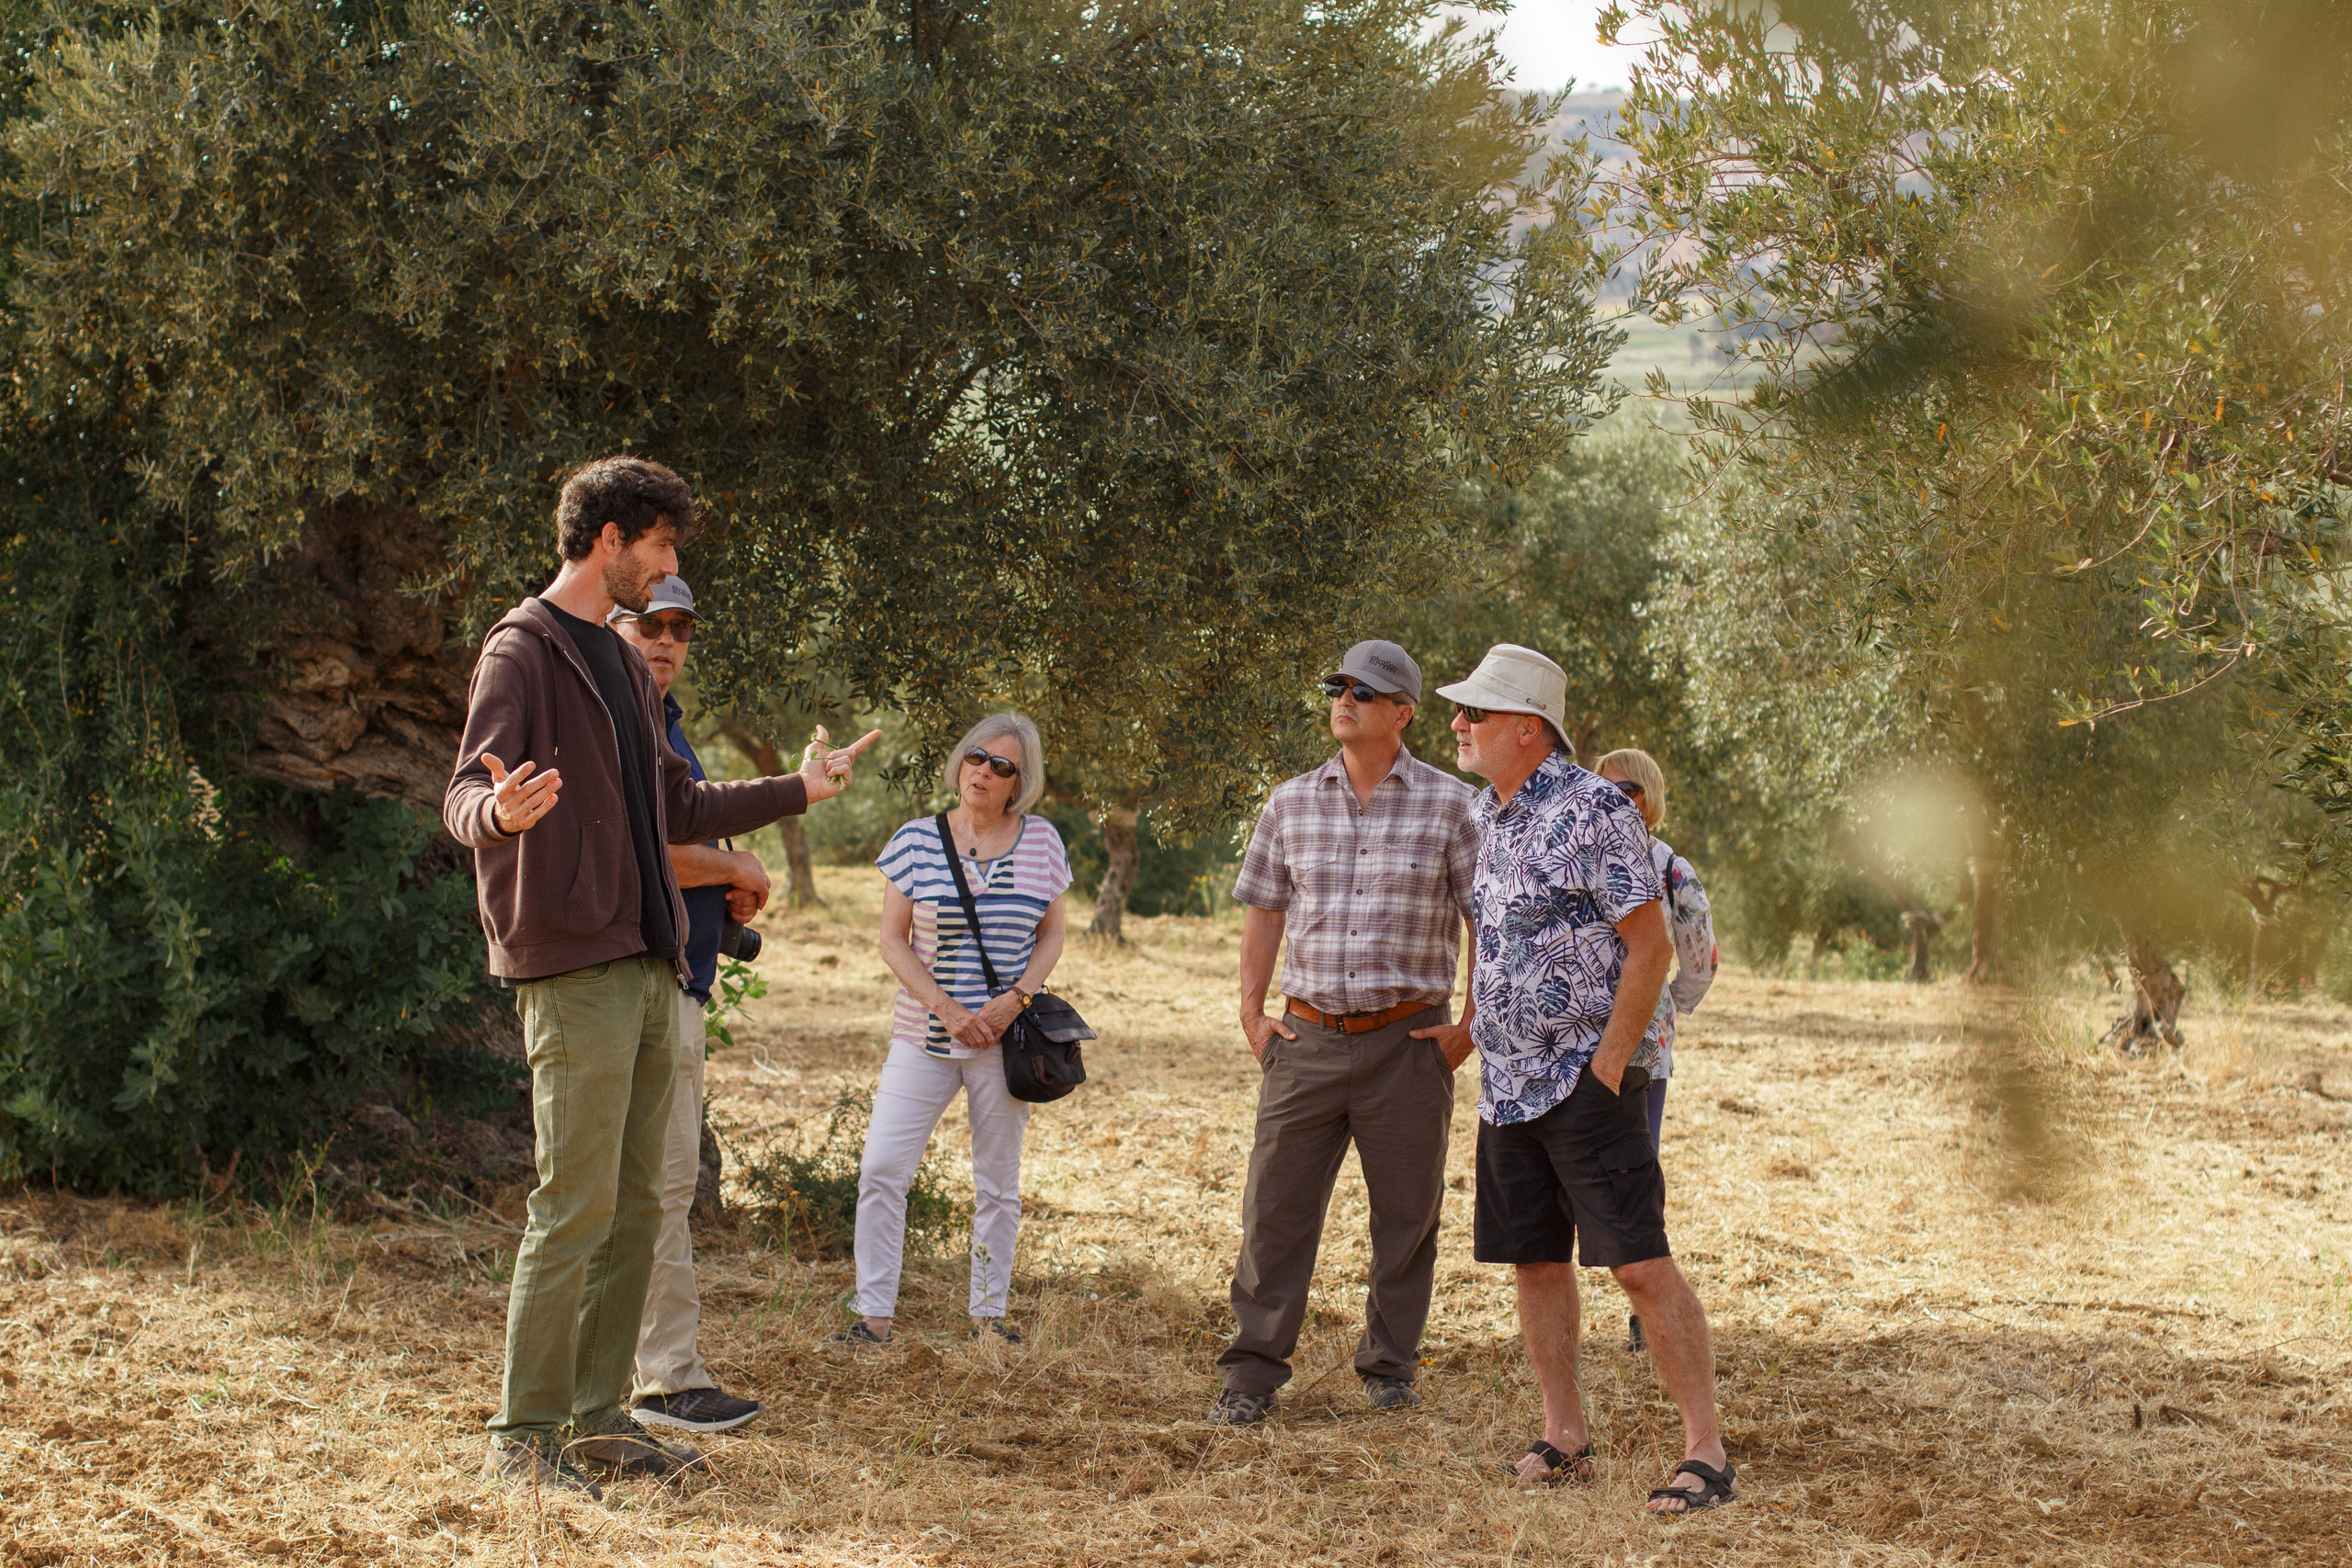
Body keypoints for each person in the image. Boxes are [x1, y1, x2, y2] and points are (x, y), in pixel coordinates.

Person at [445, 456, 879, 1500]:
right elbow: (464, 792)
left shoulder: (623, 666)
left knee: (641, 1204)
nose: (671, 569)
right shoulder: (524, 650)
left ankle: (597, 1420)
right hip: (574, 963)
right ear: (610, 540)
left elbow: (678, 810)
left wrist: (798, 791)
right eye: (662, 547)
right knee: (573, 1205)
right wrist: (499, 817)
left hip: (651, 961)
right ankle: (523, 1436)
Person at [1440, 644, 1738, 1516]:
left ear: (1529, 729)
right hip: (1507, 1085)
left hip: (1585, 1081)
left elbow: (1651, 945)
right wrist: (1473, 1033)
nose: (1457, 723)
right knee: (1536, 1260)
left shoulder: (1596, 807)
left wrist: (1606, 1067)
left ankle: (1705, 1451)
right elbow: (1491, 941)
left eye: (1475, 713)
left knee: (1639, 1263)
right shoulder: (1486, 814)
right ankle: (1564, 1433)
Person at [1205, 640, 1479, 1427]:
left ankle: (1390, 1365)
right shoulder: (1290, 802)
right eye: (1338, 686)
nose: (1345, 698)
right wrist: (1252, 1014)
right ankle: (1252, 1373)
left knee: (1407, 1215)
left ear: (1403, 713)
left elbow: (1485, 921)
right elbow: (1264, 908)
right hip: (1306, 1040)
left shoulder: (1453, 805)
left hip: (1410, 1044)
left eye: (1365, 690)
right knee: (1274, 1211)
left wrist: (1469, 1026)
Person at [605, 576, 772, 1437]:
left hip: (679, 981)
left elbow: (686, 838)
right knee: (654, 1186)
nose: (667, 639)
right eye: (650, 624)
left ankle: (640, 1374)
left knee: (655, 1185)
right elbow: (645, 845)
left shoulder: (666, 727)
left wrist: (728, 885)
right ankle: (664, 1380)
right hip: (641, 984)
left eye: (680, 628)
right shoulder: (621, 716)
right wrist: (732, 869)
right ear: (616, 624)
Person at [846, 713, 1070, 1345]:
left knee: (997, 1180)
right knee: (883, 1169)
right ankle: (873, 1317)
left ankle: (988, 1318)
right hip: (923, 1033)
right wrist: (947, 1007)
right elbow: (892, 940)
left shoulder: (1042, 842)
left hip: (1003, 1041)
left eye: (1002, 766)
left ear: (1017, 782)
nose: (984, 772)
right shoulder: (917, 839)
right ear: (961, 763)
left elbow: (1052, 932)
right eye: (977, 757)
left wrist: (1014, 999)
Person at [1594, 747, 1718, 1356]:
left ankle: (1646, 1312)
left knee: (1636, 1175)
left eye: (1617, 790)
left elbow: (1700, 955)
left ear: (1643, 799)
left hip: (1641, 1051)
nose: (1602, 801)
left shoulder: (1671, 870)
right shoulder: (1578, 858)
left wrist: (1667, 1008)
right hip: (1573, 1047)